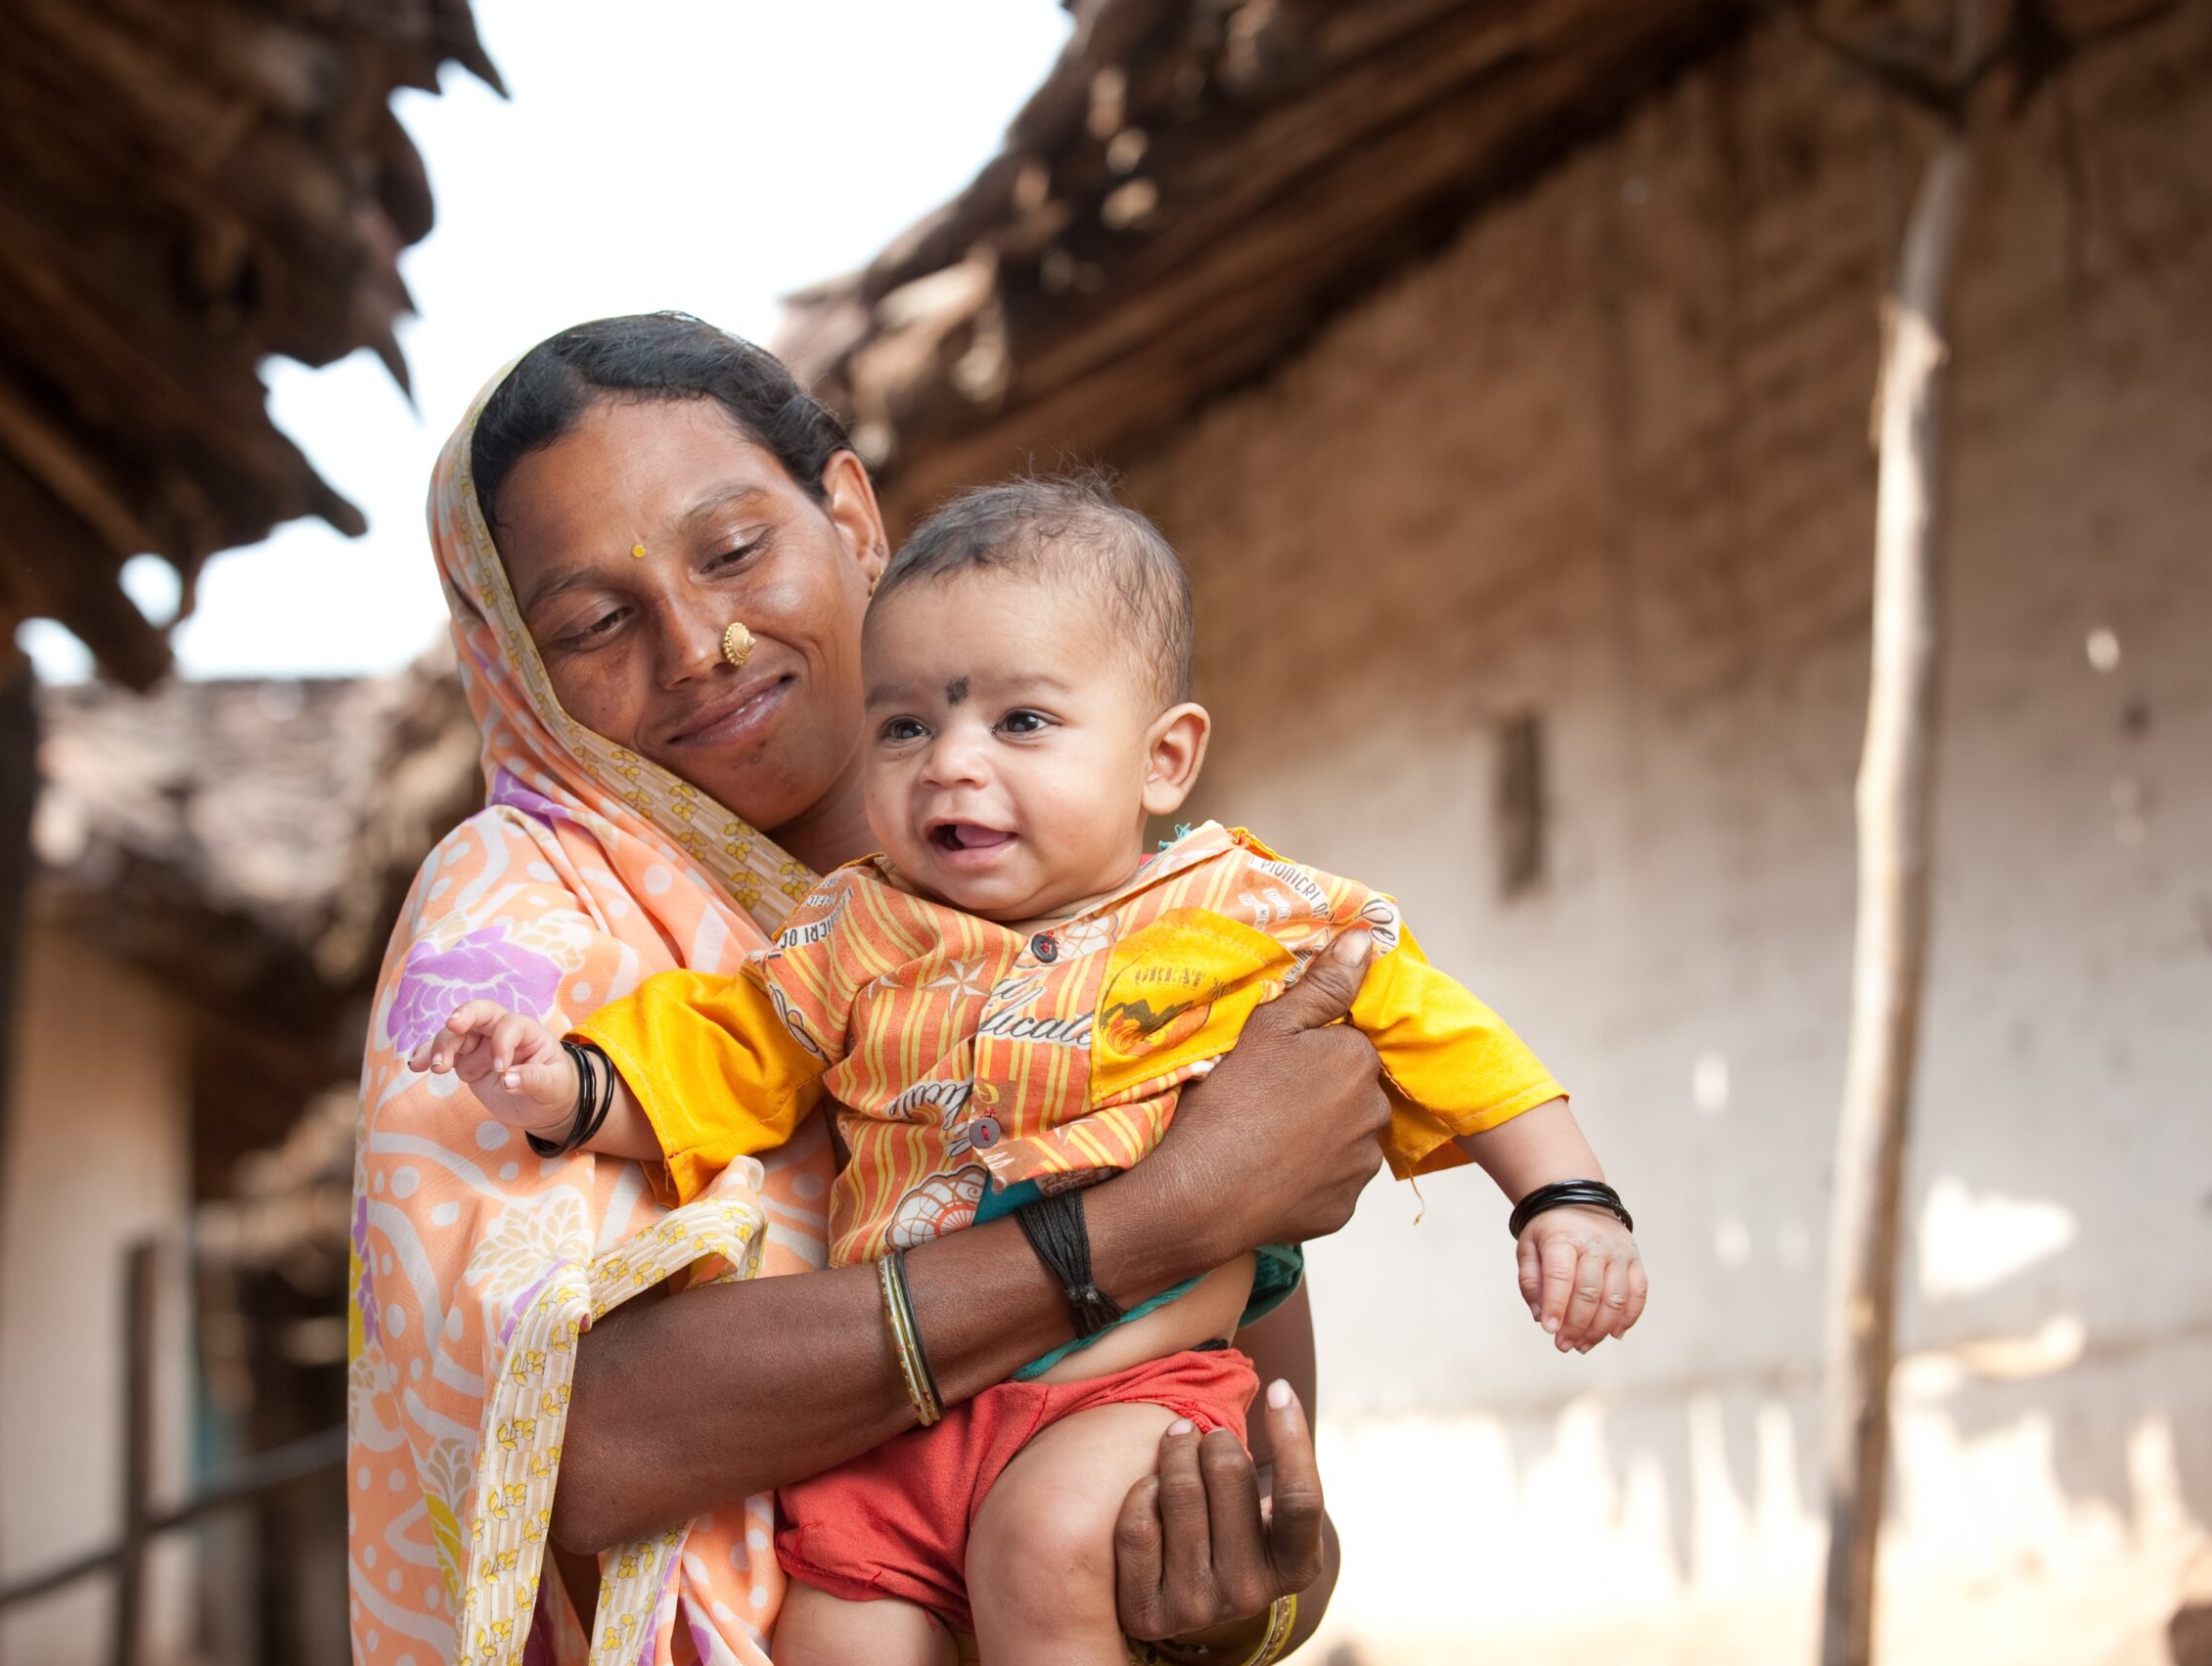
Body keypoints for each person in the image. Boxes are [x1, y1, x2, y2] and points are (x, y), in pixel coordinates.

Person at [353, 314, 1513, 1666]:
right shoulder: (514, 923)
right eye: (597, 624)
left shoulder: (1135, 925)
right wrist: (1148, 1221)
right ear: (523, 675)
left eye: (734, 552)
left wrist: (1246, 1594)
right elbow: (576, 1438)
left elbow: (1247, 1433)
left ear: (849, 515)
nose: (700, 646)